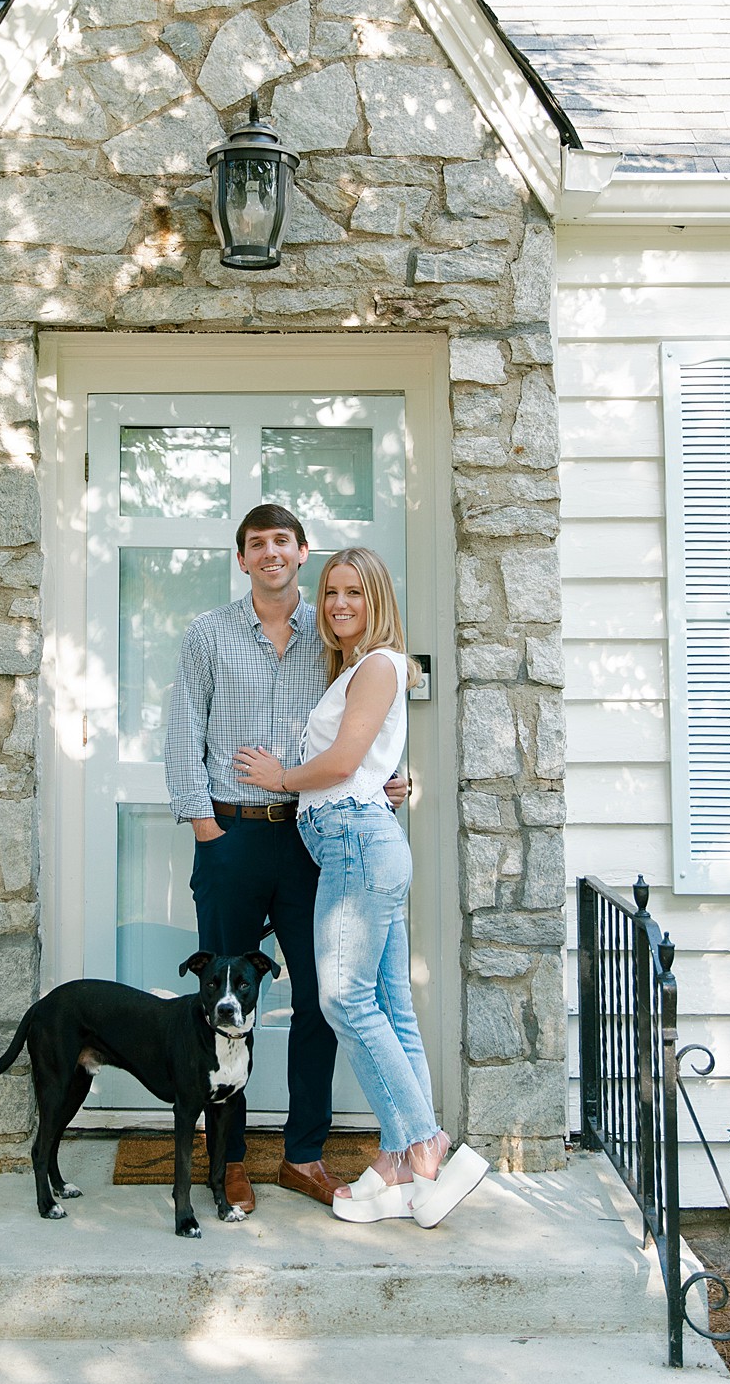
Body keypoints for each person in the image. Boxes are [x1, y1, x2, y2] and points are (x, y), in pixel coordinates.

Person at [235, 547, 488, 1229]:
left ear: (377, 599)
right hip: (363, 836)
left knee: (344, 997)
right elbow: (367, 765)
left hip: (353, 841)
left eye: (353, 592)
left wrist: (279, 778)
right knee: (387, 1003)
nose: (339, 604)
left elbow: (344, 762)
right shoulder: (357, 669)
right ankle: (404, 1157)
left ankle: (420, 1142)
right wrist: (380, 783)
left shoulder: (377, 665)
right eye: (331, 593)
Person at [165, 503, 402, 1212]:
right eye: (255, 544)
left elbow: (365, 724)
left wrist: (394, 782)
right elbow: (183, 735)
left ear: (303, 552)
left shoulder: (334, 638)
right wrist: (207, 827)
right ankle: (228, 1160)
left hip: (310, 842)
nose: (270, 553)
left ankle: (304, 1154)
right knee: (221, 1005)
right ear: (242, 559)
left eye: (282, 542)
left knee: (322, 1001)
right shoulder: (207, 635)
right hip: (231, 839)